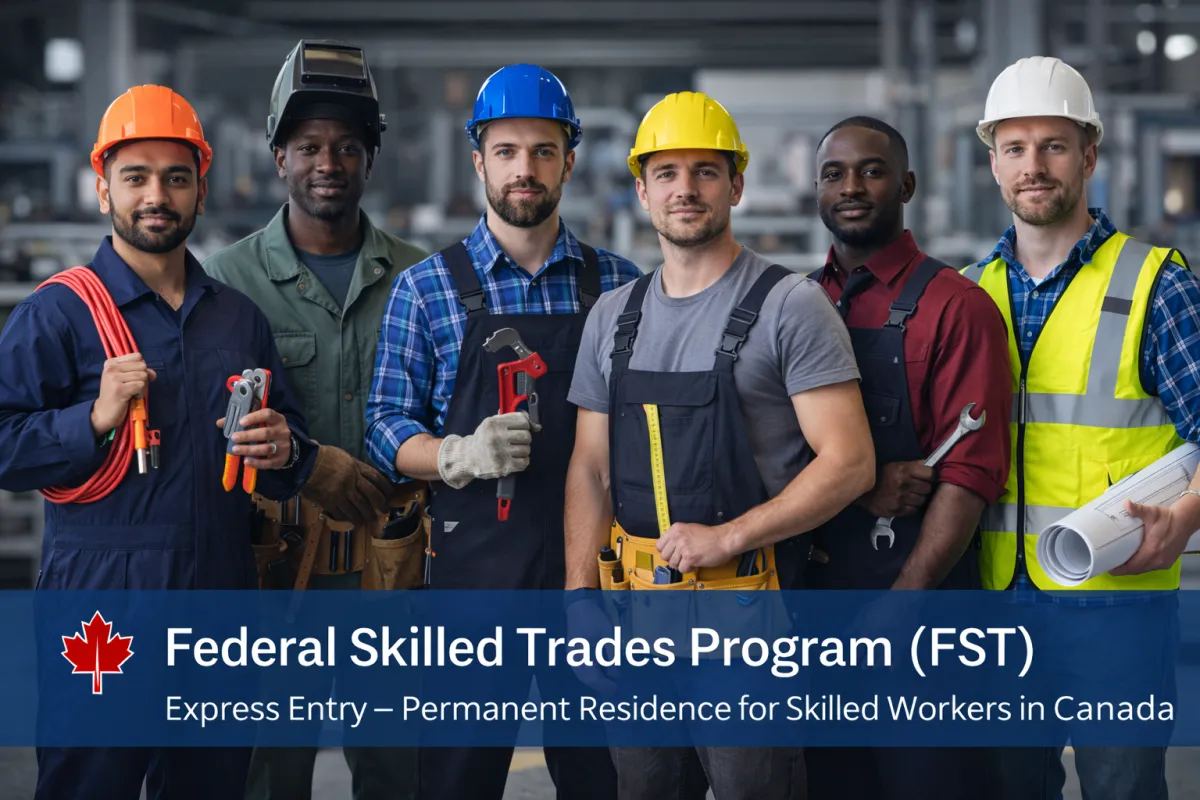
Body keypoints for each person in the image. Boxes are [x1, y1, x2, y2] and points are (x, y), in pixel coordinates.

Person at [0, 85, 316, 800]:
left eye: (176, 178)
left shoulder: (237, 319)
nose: (156, 196)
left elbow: (289, 446)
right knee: (90, 783)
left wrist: (283, 450)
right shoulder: (58, 314)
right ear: (103, 187)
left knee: (212, 784)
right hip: (104, 606)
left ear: (200, 190)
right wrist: (91, 418)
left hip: (220, 598)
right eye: (135, 177)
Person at [563, 91, 876, 800]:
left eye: (705, 170)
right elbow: (589, 467)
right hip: (633, 614)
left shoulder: (790, 305)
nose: (685, 189)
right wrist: (579, 593)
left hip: (750, 615)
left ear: (736, 183)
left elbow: (850, 461)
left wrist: (729, 536)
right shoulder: (615, 316)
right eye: (667, 172)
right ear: (641, 189)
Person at [364, 63, 639, 800]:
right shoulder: (424, 289)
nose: (526, 169)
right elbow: (384, 425)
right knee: (457, 776)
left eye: (544, 151)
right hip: (470, 586)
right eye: (508, 151)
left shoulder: (619, 286)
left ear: (570, 162)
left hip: (593, 579)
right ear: (479, 159)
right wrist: (455, 454)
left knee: (600, 776)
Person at [966, 56, 1200, 799]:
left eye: (1054, 145)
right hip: (999, 603)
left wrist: (1186, 517)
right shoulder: (969, 294)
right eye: (1014, 148)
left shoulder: (1156, 284)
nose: (1033, 166)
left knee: (1123, 787)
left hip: (1117, 604)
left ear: (1089, 155)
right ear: (994, 164)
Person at [202, 40, 429, 800]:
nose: (327, 161)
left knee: (398, 764)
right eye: (308, 146)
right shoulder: (225, 283)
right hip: (276, 574)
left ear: (370, 159)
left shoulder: (420, 277)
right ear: (278, 156)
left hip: (391, 572)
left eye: (346, 146)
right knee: (268, 766)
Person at [801, 116, 1012, 798]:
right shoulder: (796, 305)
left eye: (872, 170)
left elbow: (971, 474)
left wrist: (903, 607)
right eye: (835, 174)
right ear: (817, 191)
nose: (852, 187)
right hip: (817, 613)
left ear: (908, 184)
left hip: (923, 616)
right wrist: (859, 484)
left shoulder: (957, 308)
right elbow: (772, 450)